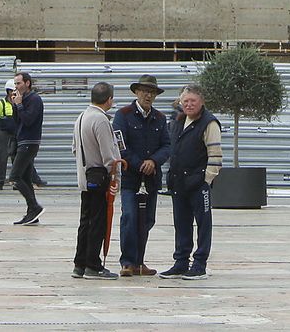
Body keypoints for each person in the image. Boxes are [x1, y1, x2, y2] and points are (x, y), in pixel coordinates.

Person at [112, 75, 171, 276]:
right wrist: (140, 164)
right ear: (136, 92)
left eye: (152, 92)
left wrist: (153, 161)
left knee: (147, 220)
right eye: (144, 91)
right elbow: (120, 146)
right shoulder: (123, 115)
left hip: (152, 179)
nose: (148, 95)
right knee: (129, 216)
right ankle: (127, 262)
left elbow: (167, 145)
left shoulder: (161, 118)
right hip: (131, 179)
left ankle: (139, 262)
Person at [163, 83, 222, 280]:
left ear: (201, 102)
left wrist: (206, 180)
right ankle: (181, 262)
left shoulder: (209, 123)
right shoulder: (178, 120)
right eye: (185, 101)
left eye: (193, 101)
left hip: (198, 184)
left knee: (203, 224)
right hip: (178, 183)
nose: (189, 105)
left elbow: (215, 155)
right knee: (181, 224)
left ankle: (199, 264)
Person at [70, 81, 124, 279]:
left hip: (85, 177)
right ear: (109, 99)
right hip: (99, 177)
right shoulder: (101, 120)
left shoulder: (82, 117)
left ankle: (80, 263)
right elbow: (109, 153)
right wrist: (115, 176)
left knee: (85, 220)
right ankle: (93, 264)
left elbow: (74, 148)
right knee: (98, 221)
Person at [9, 70, 45, 224]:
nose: (16, 86)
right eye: (15, 84)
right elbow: (18, 121)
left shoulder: (34, 99)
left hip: (29, 142)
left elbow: (29, 120)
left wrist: (20, 106)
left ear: (27, 83)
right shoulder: (22, 99)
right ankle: (32, 213)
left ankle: (35, 206)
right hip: (22, 140)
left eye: (19, 83)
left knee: (15, 177)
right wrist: (15, 105)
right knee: (25, 177)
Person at [0, 82, 17, 190]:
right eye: (12, 91)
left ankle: (17, 182)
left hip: (16, 133)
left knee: (17, 158)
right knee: (2, 157)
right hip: (3, 134)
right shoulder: (1, 104)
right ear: (8, 91)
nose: (14, 93)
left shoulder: (19, 103)